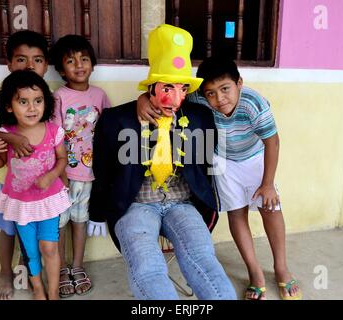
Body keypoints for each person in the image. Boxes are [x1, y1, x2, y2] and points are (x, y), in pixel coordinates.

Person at [88, 24, 236, 300]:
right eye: (167, 87)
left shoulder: (200, 117)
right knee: (148, 268)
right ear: (151, 87)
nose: (174, 98)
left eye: (182, 89)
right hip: (136, 205)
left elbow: (206, 165)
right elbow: (103, 170)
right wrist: (96, 212)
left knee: (204, 260)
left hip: (183, 202)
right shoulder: (115, 119)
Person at [137, 56, 302, 300]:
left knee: (271, 209)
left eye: (225, 89)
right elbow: (171, 97)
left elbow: (272, 142)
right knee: (236, 213)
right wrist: (142, 99)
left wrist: (267, 184)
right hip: (223, 162)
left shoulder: (253, 103)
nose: (218, 98)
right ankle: (255, 273)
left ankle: (281, 269)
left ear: (239, 83)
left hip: (256, 158)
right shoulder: (200, 98)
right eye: (211, 93)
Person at [0, 30, 49, 300]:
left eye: (37, 60)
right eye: (21, 59)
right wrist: (9, 138)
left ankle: (33, 271)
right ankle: (5, 271)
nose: (30, 66)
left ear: (46, 65)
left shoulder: (47, 100)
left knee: (40, 231)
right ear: (9, 63)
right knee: (8, 229)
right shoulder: (6, 98)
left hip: (43, 186)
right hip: (11, 184)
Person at [0, 70, 71, 300]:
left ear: (45, 102)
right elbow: (0, 162)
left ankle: (53, 292)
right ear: (10, 106)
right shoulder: (6, 134)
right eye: (23, 102)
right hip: (21, 203)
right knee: (31, 252)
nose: (32, 108)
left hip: (48, 201)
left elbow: (62, 159)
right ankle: (38, 290)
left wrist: (51, 177)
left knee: (49, 248)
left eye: (38, 101)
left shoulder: (53, 131)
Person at [49, 34, 111, 298]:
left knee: (80, 220)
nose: (79, 65)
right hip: (62, 174)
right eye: (71, 61)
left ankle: (77, 266)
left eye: (84, 59)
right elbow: (52, 136)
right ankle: (61, 268)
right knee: (60, 223)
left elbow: (108, 131)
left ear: (92, 64)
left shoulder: (100, 95)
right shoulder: (58, 96)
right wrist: (59, 172)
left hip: (89, 174)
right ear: (62, 69)